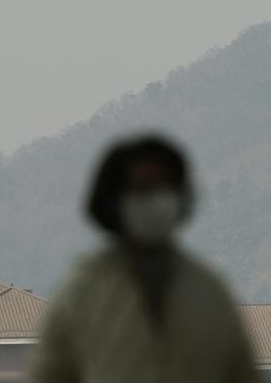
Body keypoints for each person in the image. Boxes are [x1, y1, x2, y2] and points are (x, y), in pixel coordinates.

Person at [31, 133, 256, 383]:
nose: (154, 199)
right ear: (114, 201)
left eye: (164, 187)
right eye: (142, 188)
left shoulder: (208, 292)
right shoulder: (81, 293)